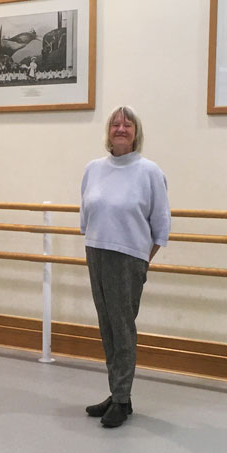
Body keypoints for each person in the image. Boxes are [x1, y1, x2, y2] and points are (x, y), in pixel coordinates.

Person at [80, 106, 170, 428]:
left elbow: (160, 226)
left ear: (136, 132)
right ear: (108, 132)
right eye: (115, 123)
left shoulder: (149, 172)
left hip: (128, 258)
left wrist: (141, 261)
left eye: (127, 123)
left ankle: (121, 397)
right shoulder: (93, 169)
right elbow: (86, 218)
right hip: (96, 251)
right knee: (107, 327)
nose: (120, 128)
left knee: (122, 328)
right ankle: (119, 394)